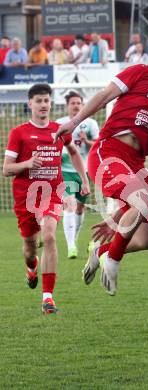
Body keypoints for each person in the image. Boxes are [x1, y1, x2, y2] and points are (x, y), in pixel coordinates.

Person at [54, 40, 148, 296]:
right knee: (141, 201)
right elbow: (103, 97)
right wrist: (76, 121)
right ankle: (112, 261)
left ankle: (101, 252)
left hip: (136, 164)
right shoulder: (142, 72)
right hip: (110, 151)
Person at [2, 83, 90, 314]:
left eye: (46, 100)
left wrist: (84, 179)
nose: (43, 105)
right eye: (38, 101)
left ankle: (48, 298)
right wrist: (27, 164)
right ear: (30, 104)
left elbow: (74, 152)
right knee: (30, 247)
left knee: (50, 236)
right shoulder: (18, 132)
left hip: (51, 193)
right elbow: (7, 169)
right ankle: (31, 267)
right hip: (26, 198)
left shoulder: (60, 129)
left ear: (51, 103)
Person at [56, 91, 99, 259]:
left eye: (78, 103)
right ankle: (71, 246)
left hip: (84, 171)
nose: (76, 106)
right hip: (65, 170)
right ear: (67, 105)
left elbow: (98, 143)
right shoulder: (59, 123)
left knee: (80, 208)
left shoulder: (90, 124)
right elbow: (53, 143)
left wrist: (86, 140)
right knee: (69, 204)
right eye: (72, 103)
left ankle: (74, 238)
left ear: (83, 105)